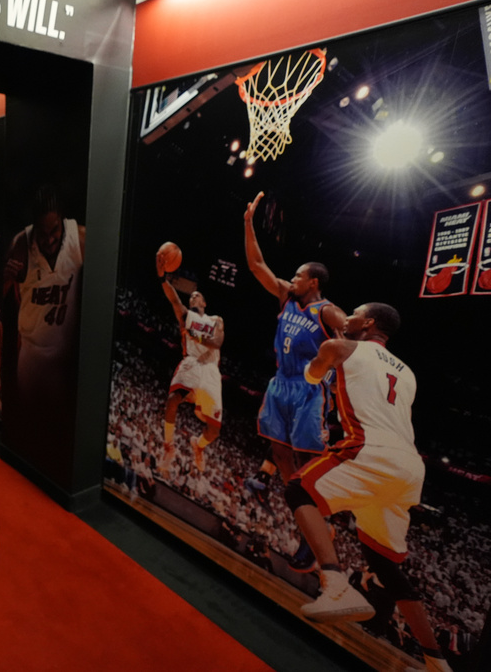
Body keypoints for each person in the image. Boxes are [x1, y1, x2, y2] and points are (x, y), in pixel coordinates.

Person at [286, 302, 452, 672]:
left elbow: (312, 377)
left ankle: (335, 585)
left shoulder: (339, 347)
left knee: (298, 490)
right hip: (408, 468)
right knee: (387, 568)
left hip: (369, 449)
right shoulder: (408, 373)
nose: (346, 319)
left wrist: (326, 356)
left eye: (353, 314)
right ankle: (437, 665)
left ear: (368, 322)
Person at [241, 190, 346, 571]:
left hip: (308, 390)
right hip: (280, 383)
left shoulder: (327, 310)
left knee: (307, 460)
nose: (294, 277)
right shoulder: (286, 297)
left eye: (300, 275)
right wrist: (248, 223)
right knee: (281, 453)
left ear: (314, 282)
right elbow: (257, 265)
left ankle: (321, 525)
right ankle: (302, 514)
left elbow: (350, 337)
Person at [3, 184, 85, 403]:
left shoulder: (81, 240)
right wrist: (7, 277)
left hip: (66, 358)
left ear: (62, 221)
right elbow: (2, 297)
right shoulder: (21, 244)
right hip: (32, 357)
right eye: (43, 233)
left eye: (54, 231)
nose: (49, 240)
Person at [155, 251, 224, 473]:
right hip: (192, 363)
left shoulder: (215, 320)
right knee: (173, 400)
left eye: (197, 296)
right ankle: (168, 446)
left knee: (213, 431)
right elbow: (172, 296)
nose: (193, 297)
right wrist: (161, 277)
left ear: (204, 302)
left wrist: (197, 337)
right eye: (191, 296)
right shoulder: (185, 315)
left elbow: (218, 342)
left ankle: (198, 445)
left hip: (211, 370)